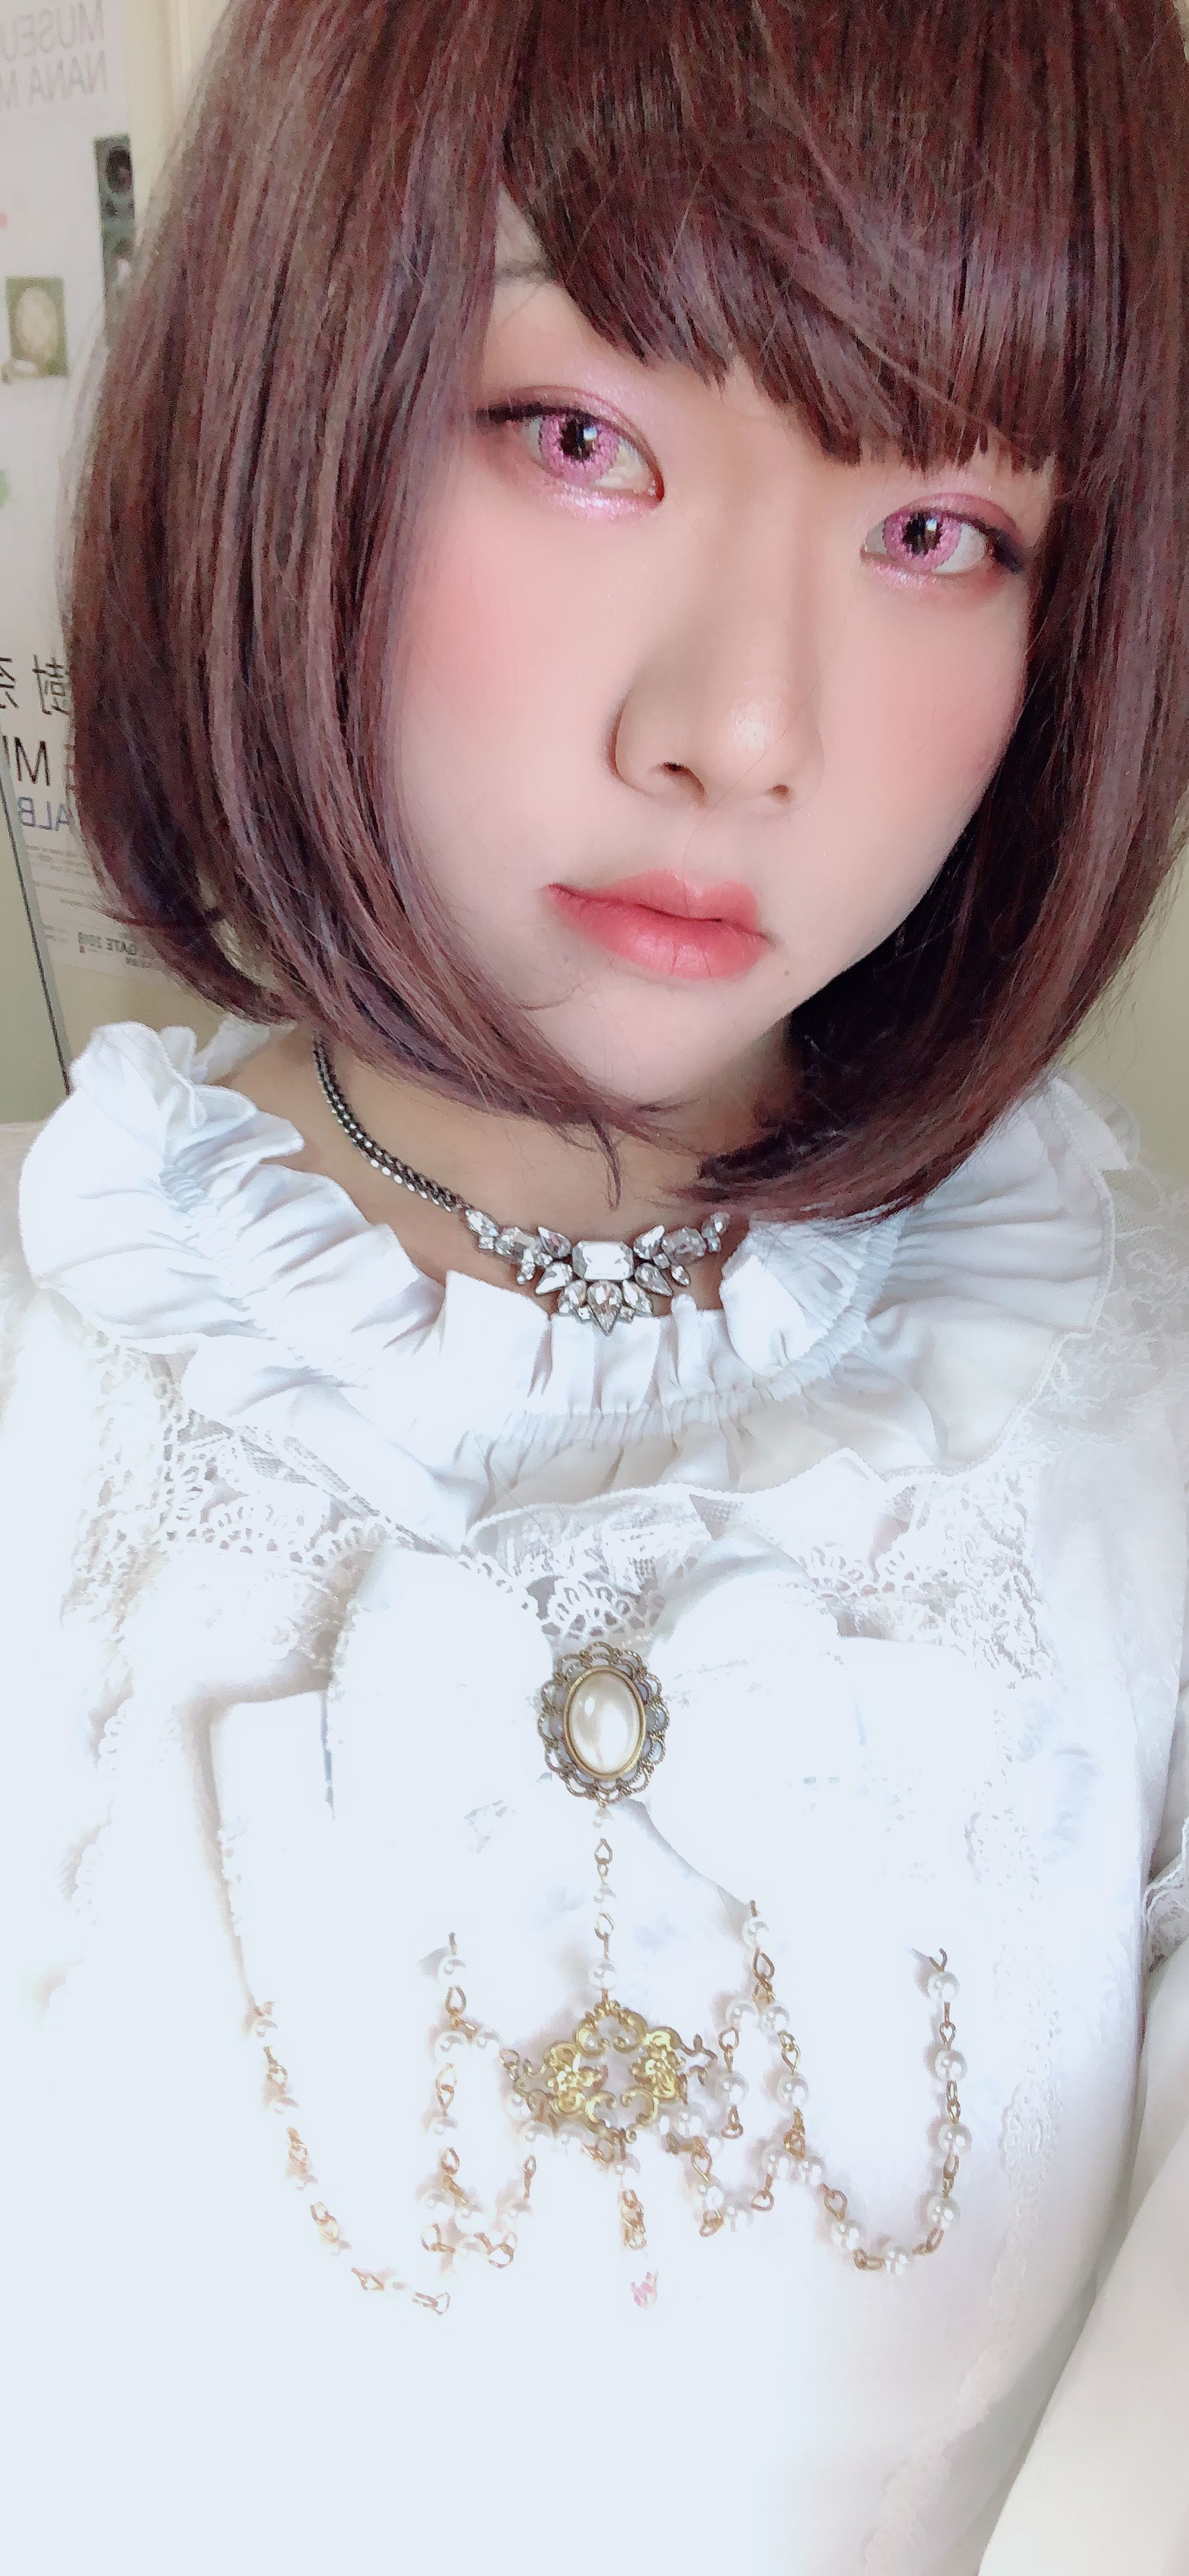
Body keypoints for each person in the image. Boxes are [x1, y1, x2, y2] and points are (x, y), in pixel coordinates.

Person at [3, 2, 1189, 2568]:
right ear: (300, 402)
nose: (742, 726)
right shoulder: (50, 1400)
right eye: (577, 436)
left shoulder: (1138, 1427)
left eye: (939, 532)